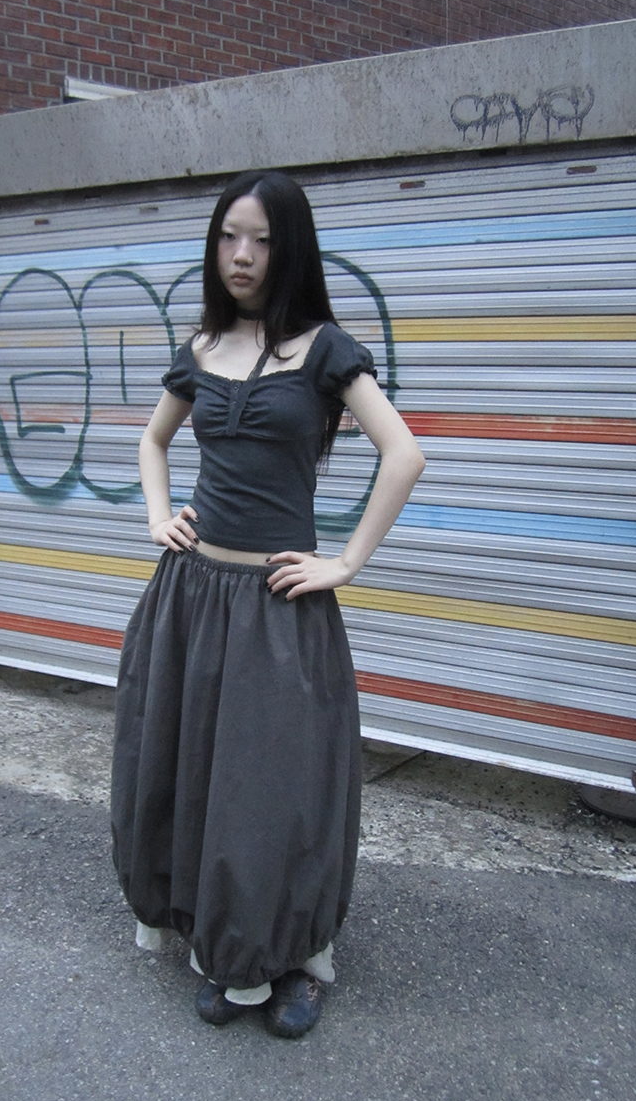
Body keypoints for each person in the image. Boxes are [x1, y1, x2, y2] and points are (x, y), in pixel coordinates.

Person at [111, 169, 425, 1038]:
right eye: (228, 236)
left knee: (273, 786)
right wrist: (158, 516)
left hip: (278, 606)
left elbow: (404, 454)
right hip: (191, 598)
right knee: (196, 771)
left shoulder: (325, 349)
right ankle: (224, 947)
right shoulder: (203, 346)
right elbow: (152, 439)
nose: (241, 255)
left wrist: (345, 562)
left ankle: (292, 956)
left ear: (290, 250)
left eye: (261, 239)